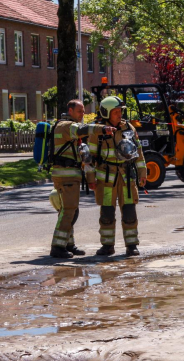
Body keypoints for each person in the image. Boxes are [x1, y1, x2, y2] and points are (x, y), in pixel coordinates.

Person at [49, 99, 116, 259]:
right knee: (69, 211)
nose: (83, 114)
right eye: (80, 111)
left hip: (67, 175)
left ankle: (68, 244)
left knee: (69, 210)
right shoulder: (67, 126)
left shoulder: (63, 126)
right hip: (67, 176)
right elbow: (84, 129)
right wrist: (104, 128)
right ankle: (57, 247)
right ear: (70, 111)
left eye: (84, 111)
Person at [87, 96, 147, 257]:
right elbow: (89, 157)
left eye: (120, 111)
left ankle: (132, 245)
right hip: (106, 180)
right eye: (115, 112)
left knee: (129, 212)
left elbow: (138, 152)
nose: (119, 114)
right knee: (106, 213)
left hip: (126, 178)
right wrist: (91, 179)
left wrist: (142, 173)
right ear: (106, 113)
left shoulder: (129, 128)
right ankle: (107, 246)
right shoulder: (97, 131)